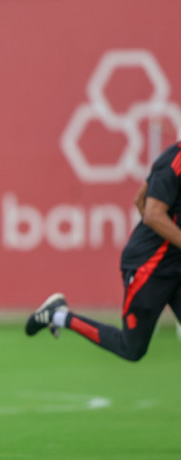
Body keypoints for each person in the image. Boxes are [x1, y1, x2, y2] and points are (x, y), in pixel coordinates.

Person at [25, 140, 181, 361]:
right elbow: (151, 212)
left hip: (175, 261)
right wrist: (160, 242)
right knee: (131, 348)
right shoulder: (174, 161)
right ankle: (58, 315)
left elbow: (141, 199)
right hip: (150, 266)